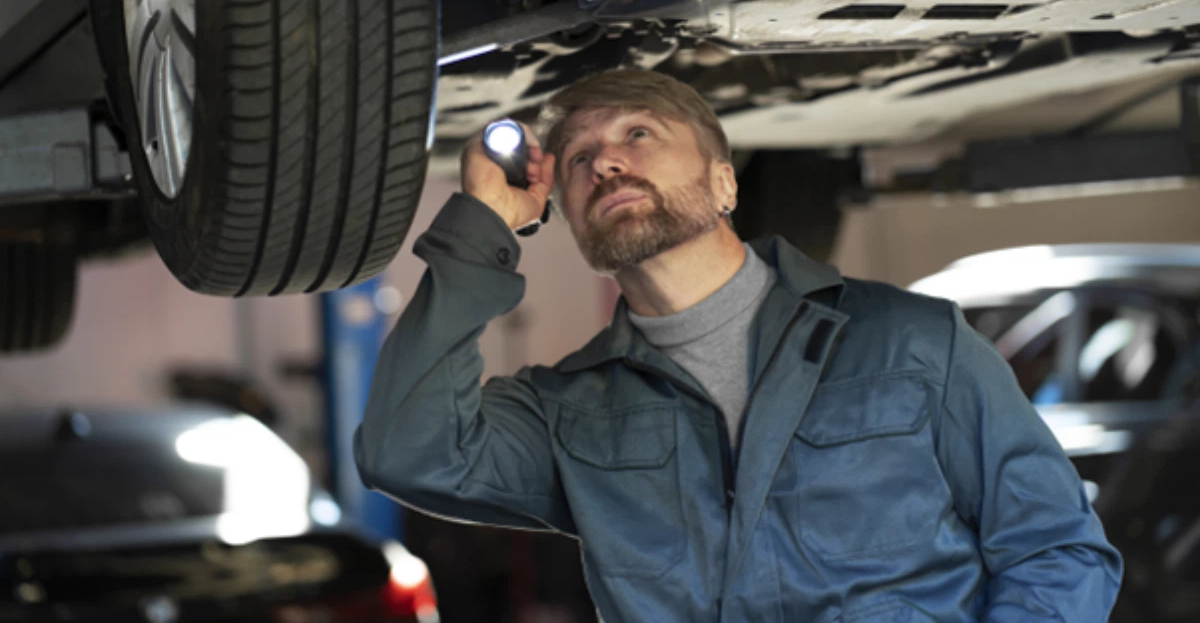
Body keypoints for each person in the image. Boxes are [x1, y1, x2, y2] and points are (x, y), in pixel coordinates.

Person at [355, 68, 1123, 622]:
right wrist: (484, 227)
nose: (606, 161)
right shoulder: (570, 412)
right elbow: (406, 451)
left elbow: (1057, 547)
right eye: (581, 158)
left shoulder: (910, 342)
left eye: (638, 133)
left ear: (725, 183)